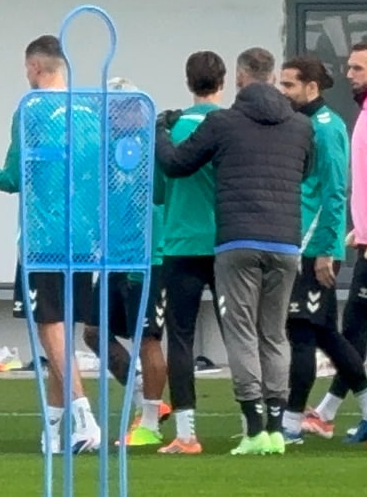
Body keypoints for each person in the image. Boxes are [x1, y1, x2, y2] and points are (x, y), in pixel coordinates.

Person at [154, 47, 313, 456]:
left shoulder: (221, 123)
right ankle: (276, 428)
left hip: (229, 240)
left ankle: (243, 430)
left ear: (239, 79)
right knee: (274, 334)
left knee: (227, 335)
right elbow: (307, 170)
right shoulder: (298, 125)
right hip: (284, 241)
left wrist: (157, 130)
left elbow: (173, 166)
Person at [0, 34, 104, 455]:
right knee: (61, 329)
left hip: (45, 236)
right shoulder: (90, 109)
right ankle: (56, 430)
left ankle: (84, 418)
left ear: (35, 68)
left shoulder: (33, 109)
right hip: (84, 236)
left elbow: (15, 176)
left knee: (49, 329)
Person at [276, 57, 367, 445]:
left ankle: (290, 424)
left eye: (289, 85)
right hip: (306, 242)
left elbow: (334, 190)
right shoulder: (306, 124)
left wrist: (324, 248)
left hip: (313, 246)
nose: (283, 92)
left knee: (301, 331)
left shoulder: (325, 128)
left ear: (311, 87)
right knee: (325, 332)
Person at [83, 76, 169, 448]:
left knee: (146, 337)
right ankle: (143, 395)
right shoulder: (107, 148)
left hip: (145, 257)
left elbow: (162, 195)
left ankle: (149, 422)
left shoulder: (152, 148)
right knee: (94, 331)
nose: (112, 115)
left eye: (118, 108)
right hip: (114, 257)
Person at [156, 51, 227, 455]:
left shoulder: (174, 127)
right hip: (223, 243)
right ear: (224, 82)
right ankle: (257, 425)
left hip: (181, 243)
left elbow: (160, 192)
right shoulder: (232, 125)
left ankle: (186, 433)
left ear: (187, 82)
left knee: (180, 338)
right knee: (239, 333)